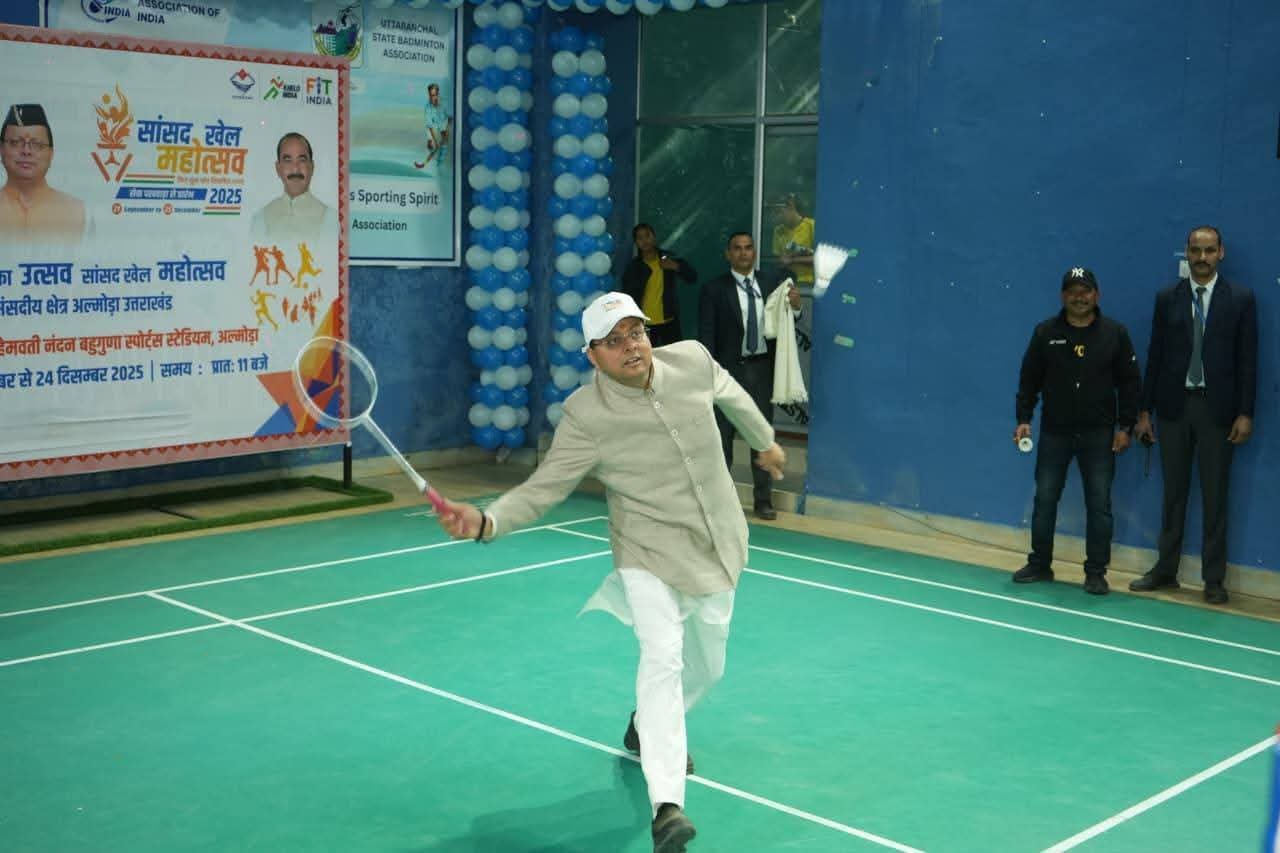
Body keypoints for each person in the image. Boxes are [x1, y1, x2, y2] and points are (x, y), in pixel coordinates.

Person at [437, 291, 787, 853]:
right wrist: (488, 521)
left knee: (709, 668)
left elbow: (734, 395)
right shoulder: (586, 416)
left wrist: (765, 443)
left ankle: (643, 725)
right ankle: (667, 806)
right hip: (645, 551)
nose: (631, 346)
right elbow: (547, 486)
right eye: (614, 340)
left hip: (717, 541)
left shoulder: (692, 360)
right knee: (662, 657)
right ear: (593, 356)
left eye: (636, 332)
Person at [1129, 226, 1257, 605]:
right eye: (1196, 250)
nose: (1202, 258)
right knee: (1173, 494)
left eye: (1209, 250)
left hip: (1218, 412)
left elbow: (1248, 361)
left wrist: (1245, 413)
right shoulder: (1167, 298)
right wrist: (1144, 411)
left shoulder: (1241, 299)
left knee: (1216, 498)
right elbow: (1154, 356)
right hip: (1173, 408)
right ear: (1186, 252)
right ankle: (1166, 570)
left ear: (1221, 253)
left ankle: (1214, 579)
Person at [1012, 267, 1140, 595]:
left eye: (1085, 291)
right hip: (1055, 433)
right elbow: (1028, 380)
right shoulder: (1045, 333)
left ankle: (1096, 572)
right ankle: (1040, 564)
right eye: (1072, 291)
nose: (1079, 297)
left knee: (1099, 505)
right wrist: (1024, 418)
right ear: (1062, 296)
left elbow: (1129, 384)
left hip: (1099, 435)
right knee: (1045, 499)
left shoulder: (1115, 333)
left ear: (1097, 295)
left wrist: (1125, 426)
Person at [698, 232, 801, 521]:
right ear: (728, 254)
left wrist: (795, 307)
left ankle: (763, 501)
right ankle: (719, 502)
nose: (743, 253)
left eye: (748, 248)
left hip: (762, 369)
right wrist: (709, 375)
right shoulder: (713, 289)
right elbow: (707, 335)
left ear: (754, 253)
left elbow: (788, 319)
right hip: (727, 372)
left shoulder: (771, 283)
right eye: (737, 248)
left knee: (761, 434)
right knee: (722, 439)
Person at [0, 103, 87, 247]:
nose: (26, 151)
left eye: (37, 144)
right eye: (15, 142)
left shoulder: (75, 210)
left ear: (51, 153)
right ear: (1, 149)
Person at [620, 223, 698, 348]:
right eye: (640, 238)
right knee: (647, 357)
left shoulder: (668, 258)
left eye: (647, 235)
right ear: (636, 243)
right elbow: (627, 295)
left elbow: (692, 277)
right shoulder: (634, 267)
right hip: (644, 324)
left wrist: (676, 266)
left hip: (669, 321)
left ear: (654, 237)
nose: (645, 240)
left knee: (675, 356)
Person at [249, 132, 335, 243]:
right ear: (278, 168)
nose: (295, 169)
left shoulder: (331, 219)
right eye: (288, 160)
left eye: (302, 160)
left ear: (312, 167)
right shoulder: (260, 219)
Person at [770, 193, 815, 287]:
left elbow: (820, 259)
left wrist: (793, 260)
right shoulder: (778, 230)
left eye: (779, 212)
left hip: (808, 283)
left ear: (791, 207)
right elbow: (778, 259)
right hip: (786, 283)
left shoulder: (811, 226)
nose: (778, 217)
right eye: (775, 213)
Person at [415, 82, 451, 172]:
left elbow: (450, 116)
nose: (432, 98)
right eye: (430, 95)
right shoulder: (428, 107)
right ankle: (425, 164)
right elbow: (429, 126)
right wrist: (431, 140)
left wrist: (447, 126)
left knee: (443, 144)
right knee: (436, 146)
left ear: (438, 94)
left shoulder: (445, 103)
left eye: (434, 95)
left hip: (446, 126)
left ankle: (432, 164)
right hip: (437, 129)